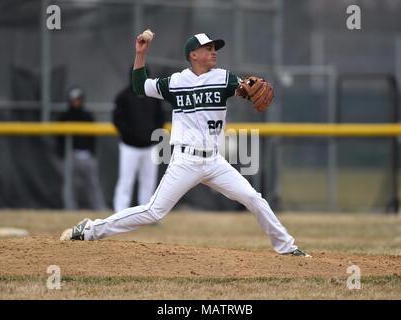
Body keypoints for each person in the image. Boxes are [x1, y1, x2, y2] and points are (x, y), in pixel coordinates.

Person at [60, 32, 310, 257]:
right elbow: (139, 87)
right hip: (185, 161)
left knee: (253, 198)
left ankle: (287, 247)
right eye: (208, 48)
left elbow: (245, 88)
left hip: (213, 161)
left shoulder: (223, 78)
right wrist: (141, 53)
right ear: (193, 54)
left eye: (215, 48)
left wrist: (249, 88)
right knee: (153, 212)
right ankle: (90, 230)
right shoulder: (176, 82)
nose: (214, 52)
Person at [112, 66, 165, 212]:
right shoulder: (123, 97)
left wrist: (152, 136)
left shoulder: (154, 97)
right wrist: (131, 136)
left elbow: (160, 118)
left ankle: (146, 213)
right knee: (126, 180)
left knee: (148, 181)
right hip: (129, 146)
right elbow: (118, 121)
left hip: (150, 146)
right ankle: (120, 211)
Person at [56, 86, 107, 211]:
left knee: (93, 184)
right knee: (70, 185)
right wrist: (62, 155)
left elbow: (93, 137)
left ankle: (99, 208)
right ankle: (70, 209)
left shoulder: (87, 116)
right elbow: (59, 138)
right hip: (71, 155)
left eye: (78, 99)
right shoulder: (64, 117)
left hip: (87, 155)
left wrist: (92, 152)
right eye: (73, 100)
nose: (76, 102)